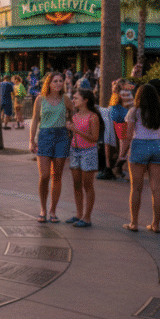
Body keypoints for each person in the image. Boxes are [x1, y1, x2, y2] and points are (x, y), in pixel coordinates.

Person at [120, 84, 160, 233]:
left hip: (139, 146)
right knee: (157, 188)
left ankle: (134, 223)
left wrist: (122, 153)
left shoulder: (134, 112)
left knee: (136, 188)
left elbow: (128, 136)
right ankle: (155, 225)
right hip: (156, 146)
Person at [29, 72, 73, 224]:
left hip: (61, 136)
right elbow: (35, 119)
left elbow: (74, 113)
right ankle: (43, 208)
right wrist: (31, 140)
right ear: (49, 83)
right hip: (45, 136)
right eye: (55, 81)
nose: (58, 83)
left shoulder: (65, 99)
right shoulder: (40, 99)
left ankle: (53, 210)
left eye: (61, 81)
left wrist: (70, 125)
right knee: (44, 176)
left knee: (57, 176)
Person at [65, 89, 102, 228]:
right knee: (76, 184)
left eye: (76, 98)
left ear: (85, 100)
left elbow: (94, 138)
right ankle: (79, 214)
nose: (73, 100)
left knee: (88, 185)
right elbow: (74, 135)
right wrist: (70, 129)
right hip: (75, 151)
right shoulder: (75, 116)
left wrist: (76, 130)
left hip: (88, 152)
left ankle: (87, 217)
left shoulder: (93, 117)